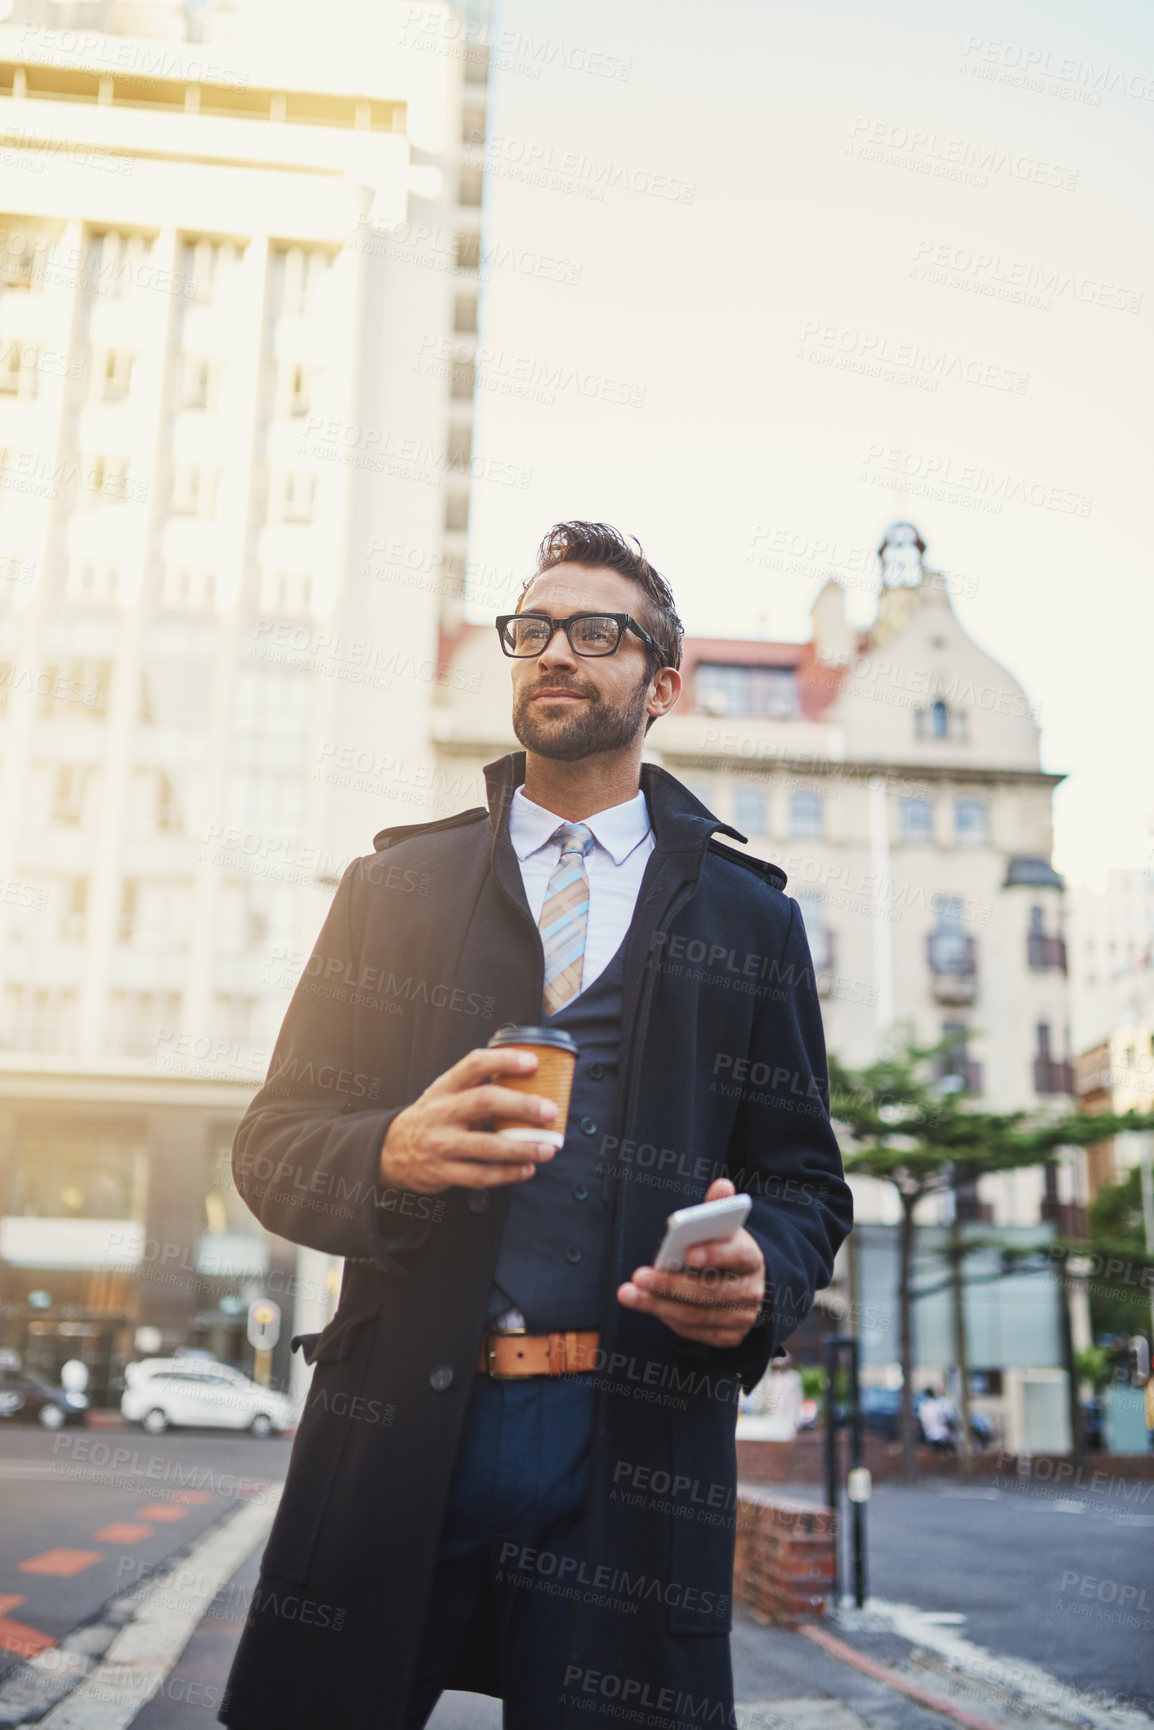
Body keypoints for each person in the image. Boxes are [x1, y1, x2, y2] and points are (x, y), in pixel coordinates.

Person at [218, 522, 853, 1730]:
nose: (555, 651)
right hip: (400, 1431)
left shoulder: (747, 920)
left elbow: (803, 1183)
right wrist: (386, 1151)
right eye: (532, 629)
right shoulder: (390, 890)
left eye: (597, 631)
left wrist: (760, 1272)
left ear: (661, 683)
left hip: (629, 1448)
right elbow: (275, 1141)